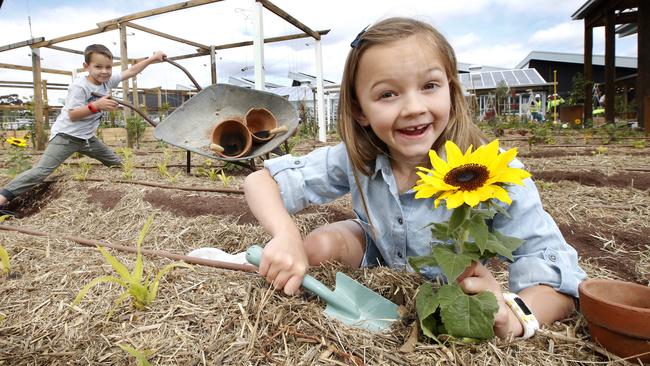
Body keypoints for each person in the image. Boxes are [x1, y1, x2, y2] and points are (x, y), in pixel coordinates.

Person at [244, 17, 586, 339]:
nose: (413, 107)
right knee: (315, 248)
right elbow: (261, 181)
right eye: (387, 94)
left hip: (451, 281)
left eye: (429, 86)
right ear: (359, 110)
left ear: (451, 91)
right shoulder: (357, 157)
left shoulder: (493, 173)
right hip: (376, 248)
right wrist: (286, 235)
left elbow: (556, 277)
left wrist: (515, 315)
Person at [0, 44, 166, 206]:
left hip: (87, 139)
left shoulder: (107, 82)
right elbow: (72, 115)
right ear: (86, 66)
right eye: (98, 66)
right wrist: (97, 106)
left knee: (116, 164)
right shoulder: (80, 86)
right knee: (42, 171)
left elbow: (131, 71)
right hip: (66, 137)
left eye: (108, 67)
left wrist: (152, 58)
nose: (104, 71)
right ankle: (2, 198)